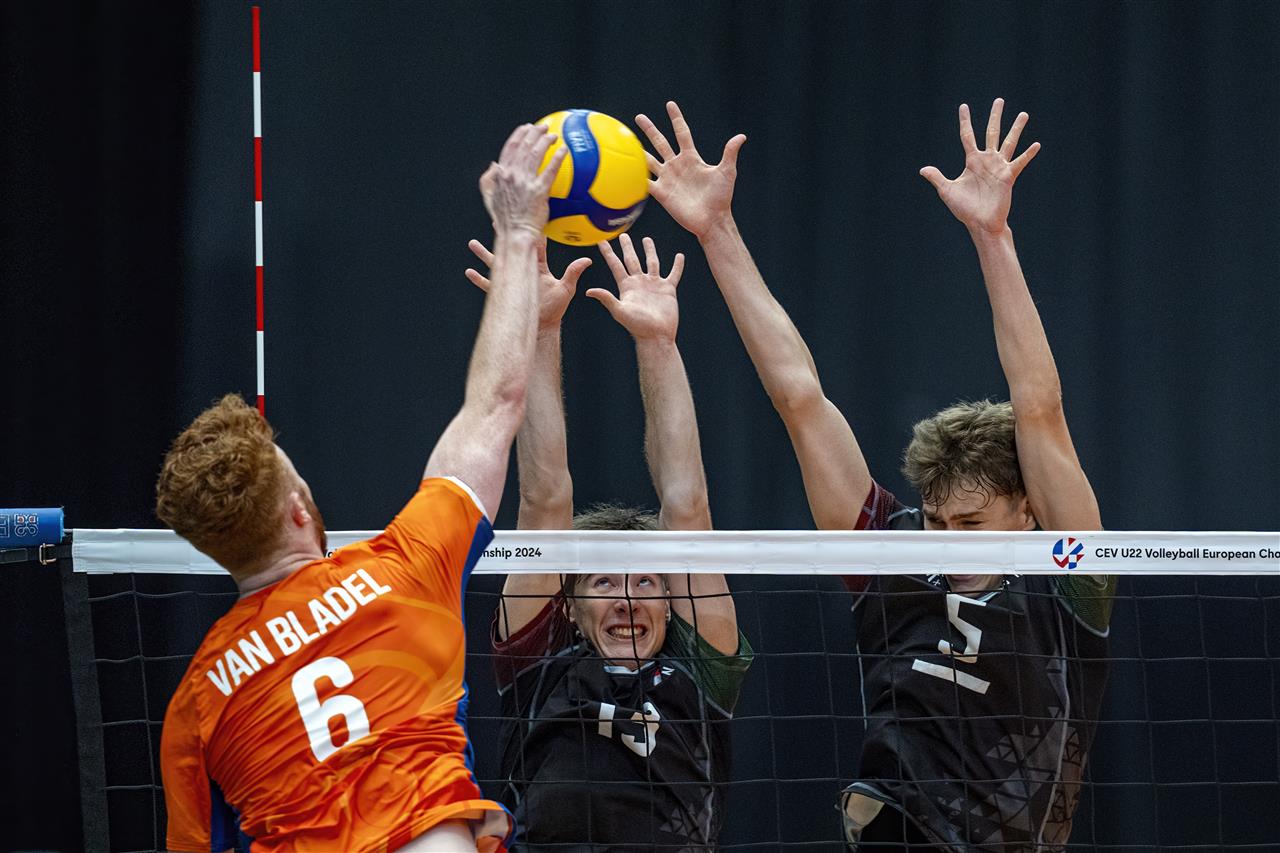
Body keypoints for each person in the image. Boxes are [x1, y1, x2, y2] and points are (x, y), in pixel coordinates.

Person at [637, 99, 1113, 850]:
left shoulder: (1067, 580)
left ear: (1026, 512)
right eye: (937, 520)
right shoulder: (892, 553)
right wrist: (716, 230)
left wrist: (992, 235)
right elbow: (800, 399)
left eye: (971, 524)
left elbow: (1040, 407)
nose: (946, 541)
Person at [155, 123, 565, 853]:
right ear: (299, 507)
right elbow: (495, 405)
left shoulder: (196, 704)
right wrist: (517, 232)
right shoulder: (404, 567)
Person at [464, 231, 752, 851]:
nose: (626, 599)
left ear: (672, 600)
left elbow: (687, 510)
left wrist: (658, 343)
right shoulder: (539, 668)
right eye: (602, 581)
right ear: (568, 606)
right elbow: (545, 501)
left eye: (646, 579)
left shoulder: (700, 674)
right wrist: (539, 329)